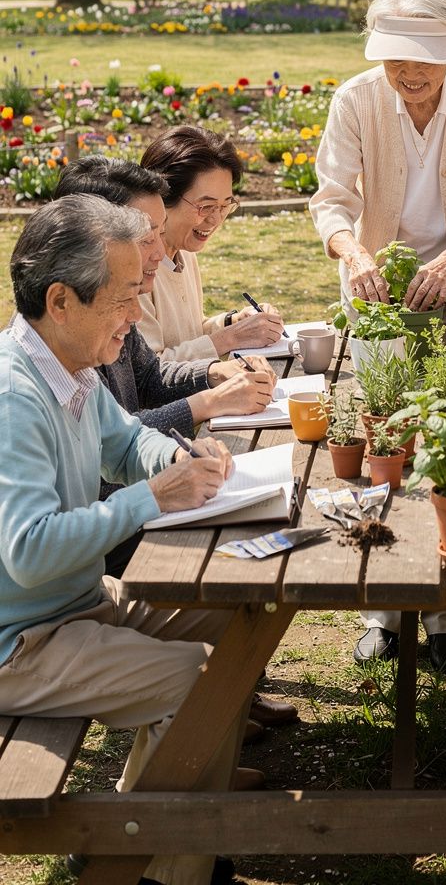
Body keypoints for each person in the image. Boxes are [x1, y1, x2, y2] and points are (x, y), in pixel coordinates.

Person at [0, 195, 248, 885]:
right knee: (200, 683)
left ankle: (129, 837)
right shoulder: (14, 398)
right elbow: (28, 552)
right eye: (123, 299)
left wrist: (177, 458)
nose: (137, 315)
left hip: (75, 605)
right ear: (60, 300)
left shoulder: (68, 364)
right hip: (21, 642)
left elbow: (124, 441)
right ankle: (162, 869)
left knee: (237, 622)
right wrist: (151, 499)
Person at [310, 0, 446, 670]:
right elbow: (332, 198)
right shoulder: (356, 99)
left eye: (423, 58)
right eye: (394, 58)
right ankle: (382, 612)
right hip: (379, 293)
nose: (407, 73)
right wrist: (354, 253)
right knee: (385, 446)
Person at [55, 158, 278, 563]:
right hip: (109, 547)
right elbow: (46, 533)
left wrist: (211, 376)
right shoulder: (52, 358)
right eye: (146, 237)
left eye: (159, 233)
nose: (161, 252)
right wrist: (208, 404)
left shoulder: (110, 309)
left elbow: (134, 411)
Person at [138, 126, 284, 362]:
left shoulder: (184, 253)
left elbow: (190, 333)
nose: (215, 220)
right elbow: (149, 369)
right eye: (205, 207)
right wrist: (231, 338)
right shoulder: (137, 267)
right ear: (163, 198)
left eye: (225, 206)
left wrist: (234, 322)